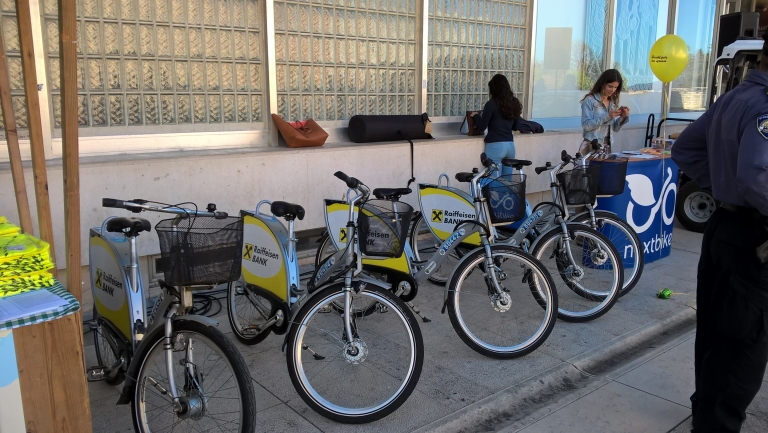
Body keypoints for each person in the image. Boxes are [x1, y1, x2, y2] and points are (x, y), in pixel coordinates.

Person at [671, 31, 768, 433]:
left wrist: (722, 188)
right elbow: (755, 175)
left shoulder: (732, 98)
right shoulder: (763, 105)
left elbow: (684, 149)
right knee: (744, 344)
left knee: (715, 332)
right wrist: (734, 188)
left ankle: (706, 417)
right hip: (754, 235)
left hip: (726, 226)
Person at [470, 74, 522, 178]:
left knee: (494, 181)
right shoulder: (514, 103)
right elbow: (515, 127)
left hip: (495, 146)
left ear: (494, 89)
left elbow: (482, 127)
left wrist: (476, 116)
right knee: (507, 183)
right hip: (510, 146)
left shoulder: (491, 104)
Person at [580, 69, 630, 154]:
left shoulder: (613, 102)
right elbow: (586, 125)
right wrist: (607, 116)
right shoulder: (590, 100)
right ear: (602, 84)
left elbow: (615, 128)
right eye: (610, 86)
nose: (612, 90)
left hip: (607, 145)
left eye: (615, 87)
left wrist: (622, 117)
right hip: (591, 145)